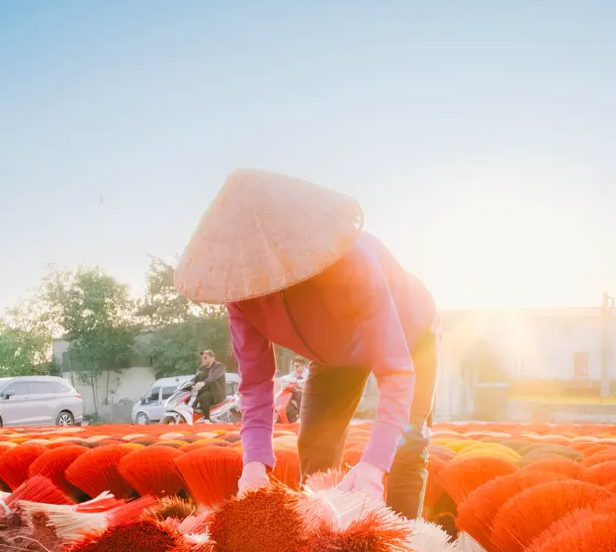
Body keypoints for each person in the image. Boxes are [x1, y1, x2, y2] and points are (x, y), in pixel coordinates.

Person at [177, 169, 436, 517]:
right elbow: (255, 384)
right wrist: (254, 463)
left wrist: (374, 466)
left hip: (409, 337)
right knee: (316, 444)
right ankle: (322, 544)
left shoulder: (352, 265)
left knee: (406, 445)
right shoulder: (242, 295)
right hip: (332, 354)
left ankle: (407, 545)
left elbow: (395, 373)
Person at [190, 348, 228, 421]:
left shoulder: (219, 366)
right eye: (202, 358)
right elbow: (198, 376)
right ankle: (193, 410)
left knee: (203, 396)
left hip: (218, 393)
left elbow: (213, 377)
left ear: (212, 358)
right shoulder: (204, 368)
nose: (203, 360)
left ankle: (207, 418)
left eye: (205, 358)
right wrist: (192, 383)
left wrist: (203, 383)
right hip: (209, 391)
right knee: (193, 392)